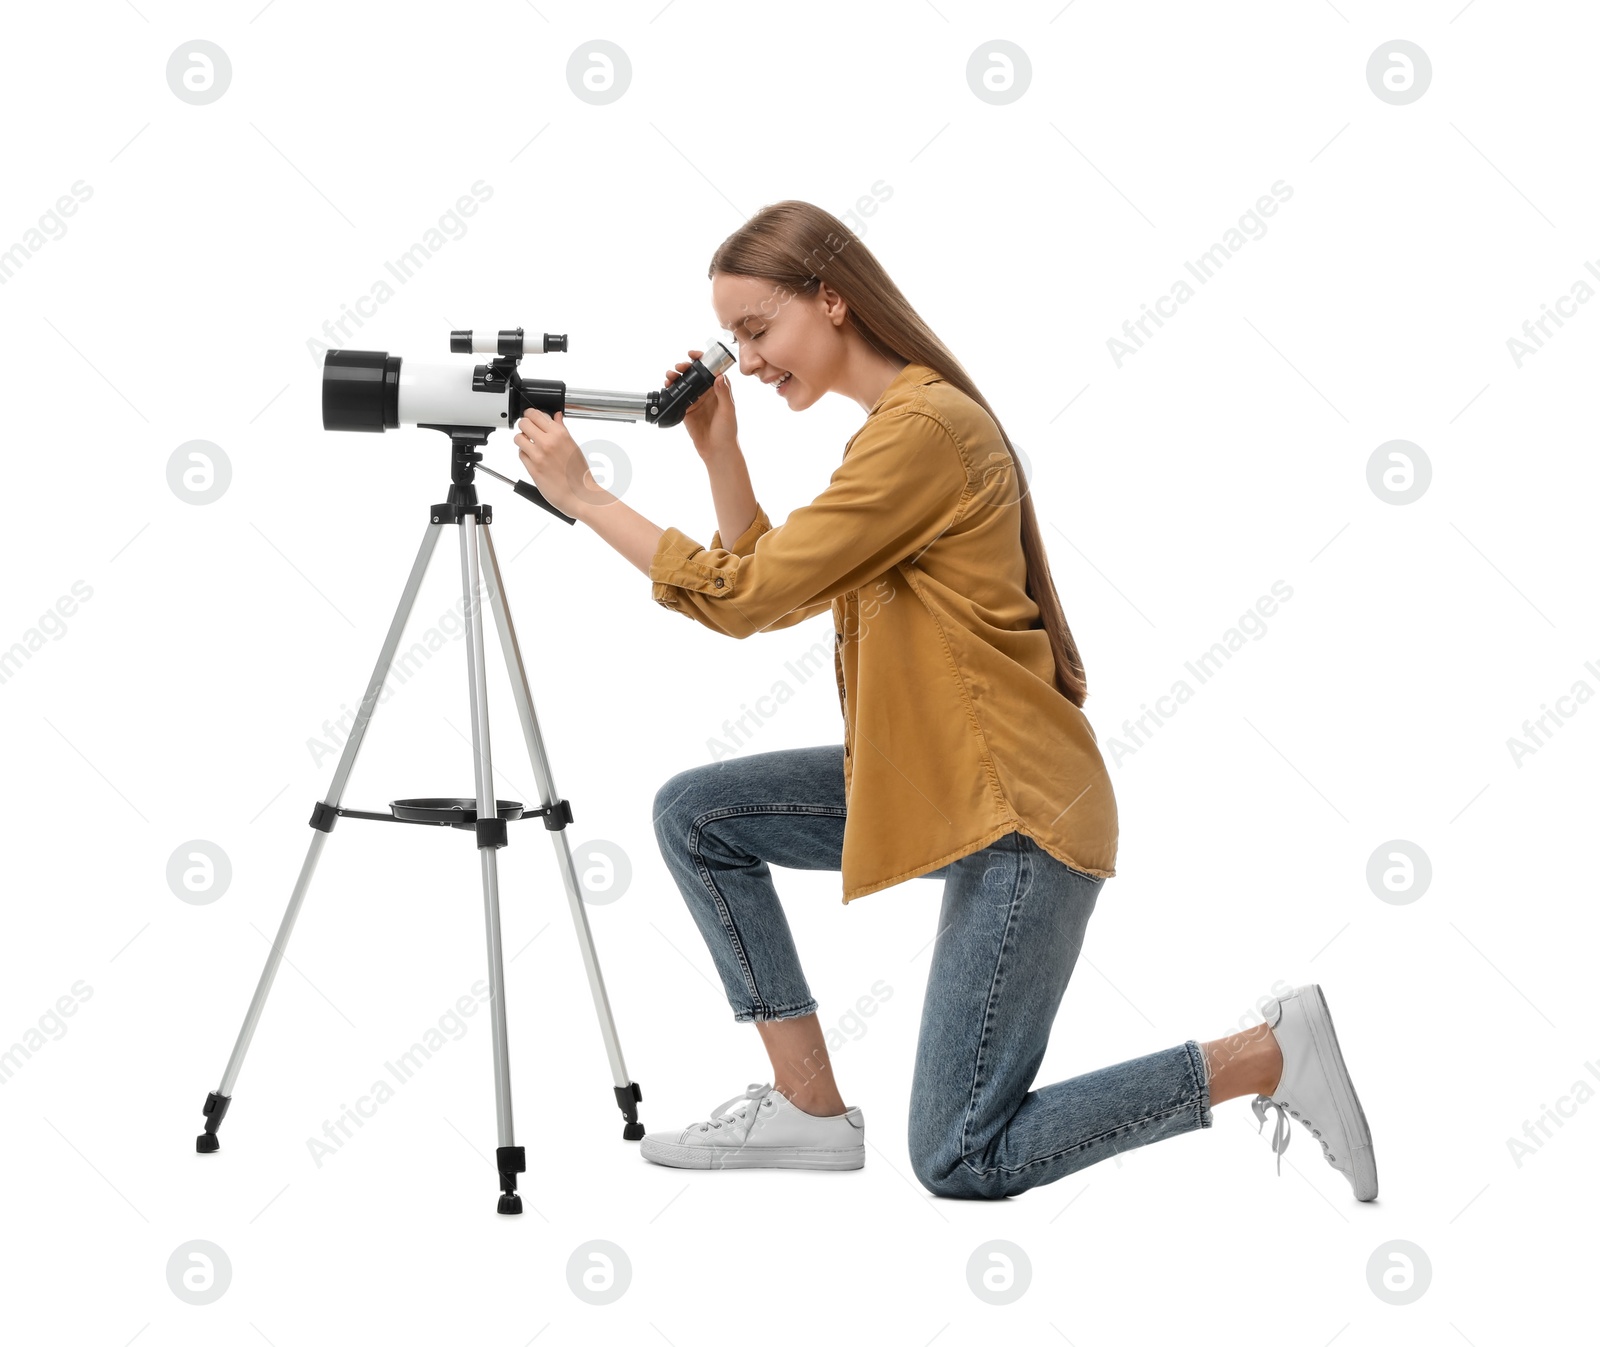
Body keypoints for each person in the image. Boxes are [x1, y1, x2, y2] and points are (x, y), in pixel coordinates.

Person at [512, 200, 1377, 1202]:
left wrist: (585, 499)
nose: (745, 361)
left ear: (830, 301)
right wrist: (720, 454)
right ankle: (806, 1107)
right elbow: (765, 583)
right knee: (697, 815)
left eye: (757, 331)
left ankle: (1264, 1055)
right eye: (733, 340)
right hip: (944, 784)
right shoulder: (898, 430)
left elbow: (745, 597)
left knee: (964, 1155)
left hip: (1014, 812)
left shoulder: (920, 432)